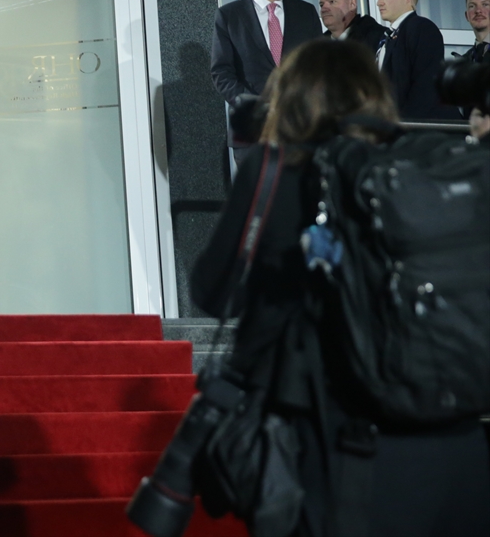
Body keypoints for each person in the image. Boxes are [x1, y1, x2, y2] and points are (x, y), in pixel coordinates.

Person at [193, 39, 490, 536]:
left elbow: (214, 292)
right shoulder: (431, 165)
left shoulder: (277, 171)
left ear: (291, 98)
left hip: (342, 443)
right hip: (460, 441)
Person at [211, 0, 322, 164]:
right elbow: (221, 73)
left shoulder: (306, 12)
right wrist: (256, 107)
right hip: (252, 131)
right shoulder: (229, 15)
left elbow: (319, 67)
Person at [373, 0, 459, 120]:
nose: (379, 2)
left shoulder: (421, 28)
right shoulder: (387, 36)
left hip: (424, 128)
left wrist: (404, 125)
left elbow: (426, 84)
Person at [318, 0, 387, 54]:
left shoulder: (380, 39)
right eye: (321, 5)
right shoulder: (318, 47)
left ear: (352, 4)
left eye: (332, 1)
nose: (323, 9)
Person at [461, 0, 489, 64]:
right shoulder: (464, 61)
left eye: (485, 4)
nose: (478, 11)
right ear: (466, 16)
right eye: (472, 6)